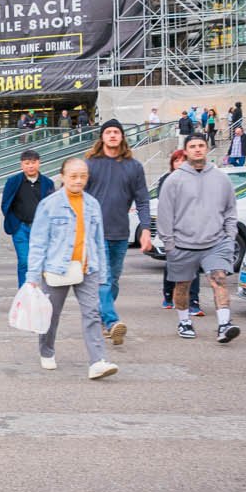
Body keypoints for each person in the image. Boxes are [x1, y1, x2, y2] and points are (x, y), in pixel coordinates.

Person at [27, 156, 119, 381]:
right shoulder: (49, 205)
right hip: (57, 268)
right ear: (63, 177)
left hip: (87, 268)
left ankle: (97, 361)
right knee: (51, 315)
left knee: (92, 313)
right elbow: (38, 242)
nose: (78, 181)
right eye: (73, 176)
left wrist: (103, 274)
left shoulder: (92, 204)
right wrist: (33, 276)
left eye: (83, 176)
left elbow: (98, 241)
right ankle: (46, 350)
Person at [157, 132, 240, 344]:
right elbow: (165, 214)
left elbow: (231, 210)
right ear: (186, 151)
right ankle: (184, 321)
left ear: (206, 148)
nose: (197, 149)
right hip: (182, 244)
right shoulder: (174, 180)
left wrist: (230, 237)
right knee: (182, 286)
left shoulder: (221, 178)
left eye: (201, 145)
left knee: (219, 278)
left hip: (216, 242)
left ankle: (224, 324)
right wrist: (169, 245)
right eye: (192, 146)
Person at [83, 120, 152, 345]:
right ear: (102, 137)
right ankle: (112, 321)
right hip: (95, 233)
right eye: (108, 132)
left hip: (121, 232)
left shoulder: (133, 166)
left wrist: (145, 230)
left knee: (113, 280)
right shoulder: (90, 164)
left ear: (122, 137)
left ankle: (102, 319)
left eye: (116, 132)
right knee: (103, 279)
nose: (112, 135)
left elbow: (142, 200)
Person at [155, 149, 203, 313]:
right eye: (176, 161)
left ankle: (193, 301)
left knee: (193, 266)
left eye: (183, 160)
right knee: (173, 265)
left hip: (193, 231)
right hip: (173, 231)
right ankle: (168, 295)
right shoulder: (166, 181)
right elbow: (164, 207)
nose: (180, 164)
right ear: (172, 164)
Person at [0, 148, 53, 289]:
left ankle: (37, 291)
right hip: (20, 227)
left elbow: (51, 206)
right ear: (21, 165)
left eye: (33, 162)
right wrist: (14, 221)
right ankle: (24, 292)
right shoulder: (13, 181)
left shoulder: (47, 183)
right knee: (24, 261)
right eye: (27, 163)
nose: (30, 166)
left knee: (40, 262)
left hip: (40, 229)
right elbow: (5, 203)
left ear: (39, 163)